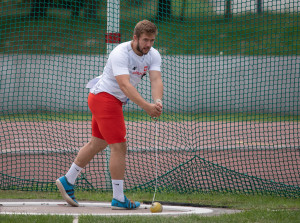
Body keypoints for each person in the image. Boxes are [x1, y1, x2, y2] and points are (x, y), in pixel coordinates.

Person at [56, 20, 163, 210]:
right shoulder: (120, 53)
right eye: (145, 40)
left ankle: (67, 180)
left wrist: (157, 101)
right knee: (119, 147)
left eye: (152, 40)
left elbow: (156, 79)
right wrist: (147, 106)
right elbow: (125, 85)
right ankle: (118, 198)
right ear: (135, 38)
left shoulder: (153, 55)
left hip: (109, 100)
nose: (148, 45)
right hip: (105, 98)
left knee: (98, 143)